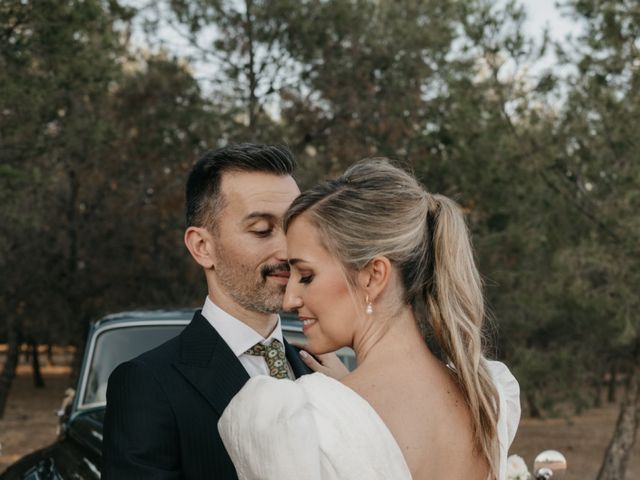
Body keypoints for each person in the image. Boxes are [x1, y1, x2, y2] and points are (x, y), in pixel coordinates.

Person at [218, 158, 521, 480]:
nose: (290, 299)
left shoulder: (301, 420)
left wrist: (335, 403)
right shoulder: (488, 396)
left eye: (306, 275)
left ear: (374, 276)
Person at [102, 144, 315, 479]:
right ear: (202, 247)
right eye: (262, 230)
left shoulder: (319, 371)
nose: (288, 249)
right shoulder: (147, 384)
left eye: (293, 227)